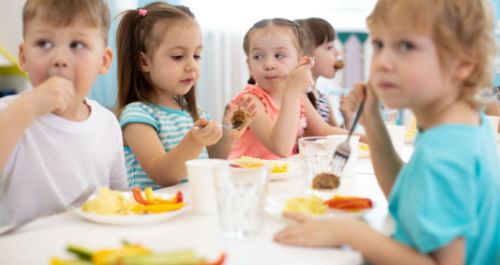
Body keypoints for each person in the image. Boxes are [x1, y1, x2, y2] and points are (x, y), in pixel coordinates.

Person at [275, 0, 500, 264]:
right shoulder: (459, 126)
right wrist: (372, 121)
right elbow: (406, 197)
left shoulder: (446, 153)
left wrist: (351, 232)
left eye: (406, 46)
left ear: (464, 63)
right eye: (380, 44)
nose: (381, 62)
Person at [0, 0, 128, 226]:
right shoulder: (9, 113)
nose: (59, 59)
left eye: (77, 45)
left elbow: (119, 197)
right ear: (23, 56)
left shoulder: (107, 124)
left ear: (103, 61)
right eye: (44, 43)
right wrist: (27, 107)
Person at [115, 2, 255, 189]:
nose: (192, 66)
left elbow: (209, 161)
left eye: (196, 56)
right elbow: (163, 174)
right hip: (151, 212)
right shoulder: (137, 116)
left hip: (187, 209)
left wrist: (227, 137)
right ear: (144, 61)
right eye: (178, 56)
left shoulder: (196, 114)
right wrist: (194, 141)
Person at [228, 18, 352, 160]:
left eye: (279, 55)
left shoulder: (299, 96)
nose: (269, 64)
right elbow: (281, 148)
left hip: (283, 176)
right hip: (249, 178)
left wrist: (370, 141)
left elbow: (324, 131)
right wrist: (292, 90)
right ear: (249, 66)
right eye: (258, 56)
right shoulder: (249, 101)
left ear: (300, 61)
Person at [295, 17, 343, 127]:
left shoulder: (322, 98)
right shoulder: (298, 94)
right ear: (304, 53)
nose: (337, 53)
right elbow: (323, 131)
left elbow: (335, 135)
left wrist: (347, 118)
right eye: (329, 47)